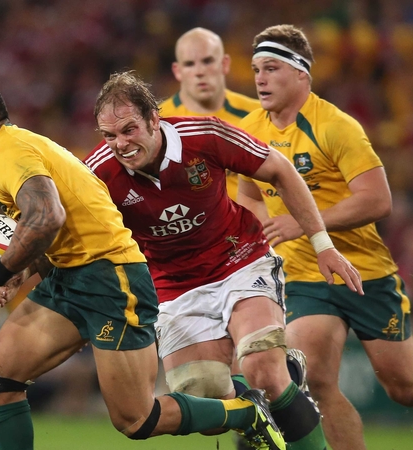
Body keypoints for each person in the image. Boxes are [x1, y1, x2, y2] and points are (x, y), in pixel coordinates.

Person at [0, 70, 286, 450]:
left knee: (137, 419)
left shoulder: (11, 153)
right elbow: (60, 225)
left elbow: (48, 216)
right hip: (71, 276)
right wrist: (22, 270)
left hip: (110, 279)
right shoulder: (14, 149)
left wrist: (1, 270)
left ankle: (246, 413)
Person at [236, 24, 413, 450]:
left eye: (272, 68)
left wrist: (303, 223)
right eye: (257, 68)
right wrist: (267, 231)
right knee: (315, 381)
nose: (260, 78)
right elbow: (248, 195)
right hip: (305, 277)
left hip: (364, 273)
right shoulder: (250, 129)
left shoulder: (337, 126)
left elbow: (378, 200)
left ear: (301, 73)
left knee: (405, 388)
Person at [85, 70, 364, 450]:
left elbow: (280, 170)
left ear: (153, 119)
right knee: (205, 400)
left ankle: (279, 378)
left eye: (129, 129)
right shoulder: (96, 172)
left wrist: (323, 244)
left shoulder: (205, 135)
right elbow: (65, 224)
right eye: (109, 135)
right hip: (173, 286)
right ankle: (277, 385)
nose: (121, 144)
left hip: (240, 260)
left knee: (263, 370)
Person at [158, 27, 261, 201]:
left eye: (207, 61)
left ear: (225, 64)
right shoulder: (158, 123)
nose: (199, 72)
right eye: (189, 64)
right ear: (177, 71)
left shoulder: (258, 115)